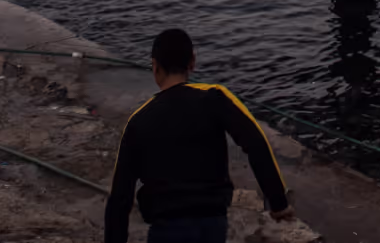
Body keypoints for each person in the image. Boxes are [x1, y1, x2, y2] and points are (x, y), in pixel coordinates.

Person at [102, 27, 291, 243]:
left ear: (155, 67)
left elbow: (120, 197)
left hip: (165, 228)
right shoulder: (215, 97)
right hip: (212, 223)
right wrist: (278, 203)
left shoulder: (138, 120)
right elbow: (256, 143)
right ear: (192, 61)